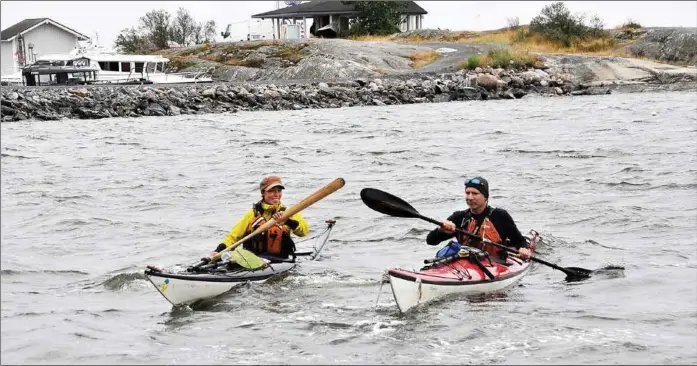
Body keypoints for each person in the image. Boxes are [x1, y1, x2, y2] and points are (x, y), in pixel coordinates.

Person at [426, 176, 532, 261]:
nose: (470, 197)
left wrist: (524, 249)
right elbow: (430, 240)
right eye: (467, 193)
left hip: (495, 263)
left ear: (485, 197)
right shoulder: (459, 217)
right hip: (466, 263)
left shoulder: (500, 216)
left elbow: (520, 241)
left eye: (475, 193)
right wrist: (441, 230)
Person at [208, 175, 309, 261]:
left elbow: (304, 232)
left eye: (279, 191)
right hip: (254, 259)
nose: (276, 194)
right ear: (263, 193)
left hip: (280, 259)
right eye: (272, 191)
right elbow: (233, 237)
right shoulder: (252, 214)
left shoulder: (288, 212)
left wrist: (288, 221)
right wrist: (218, 251)